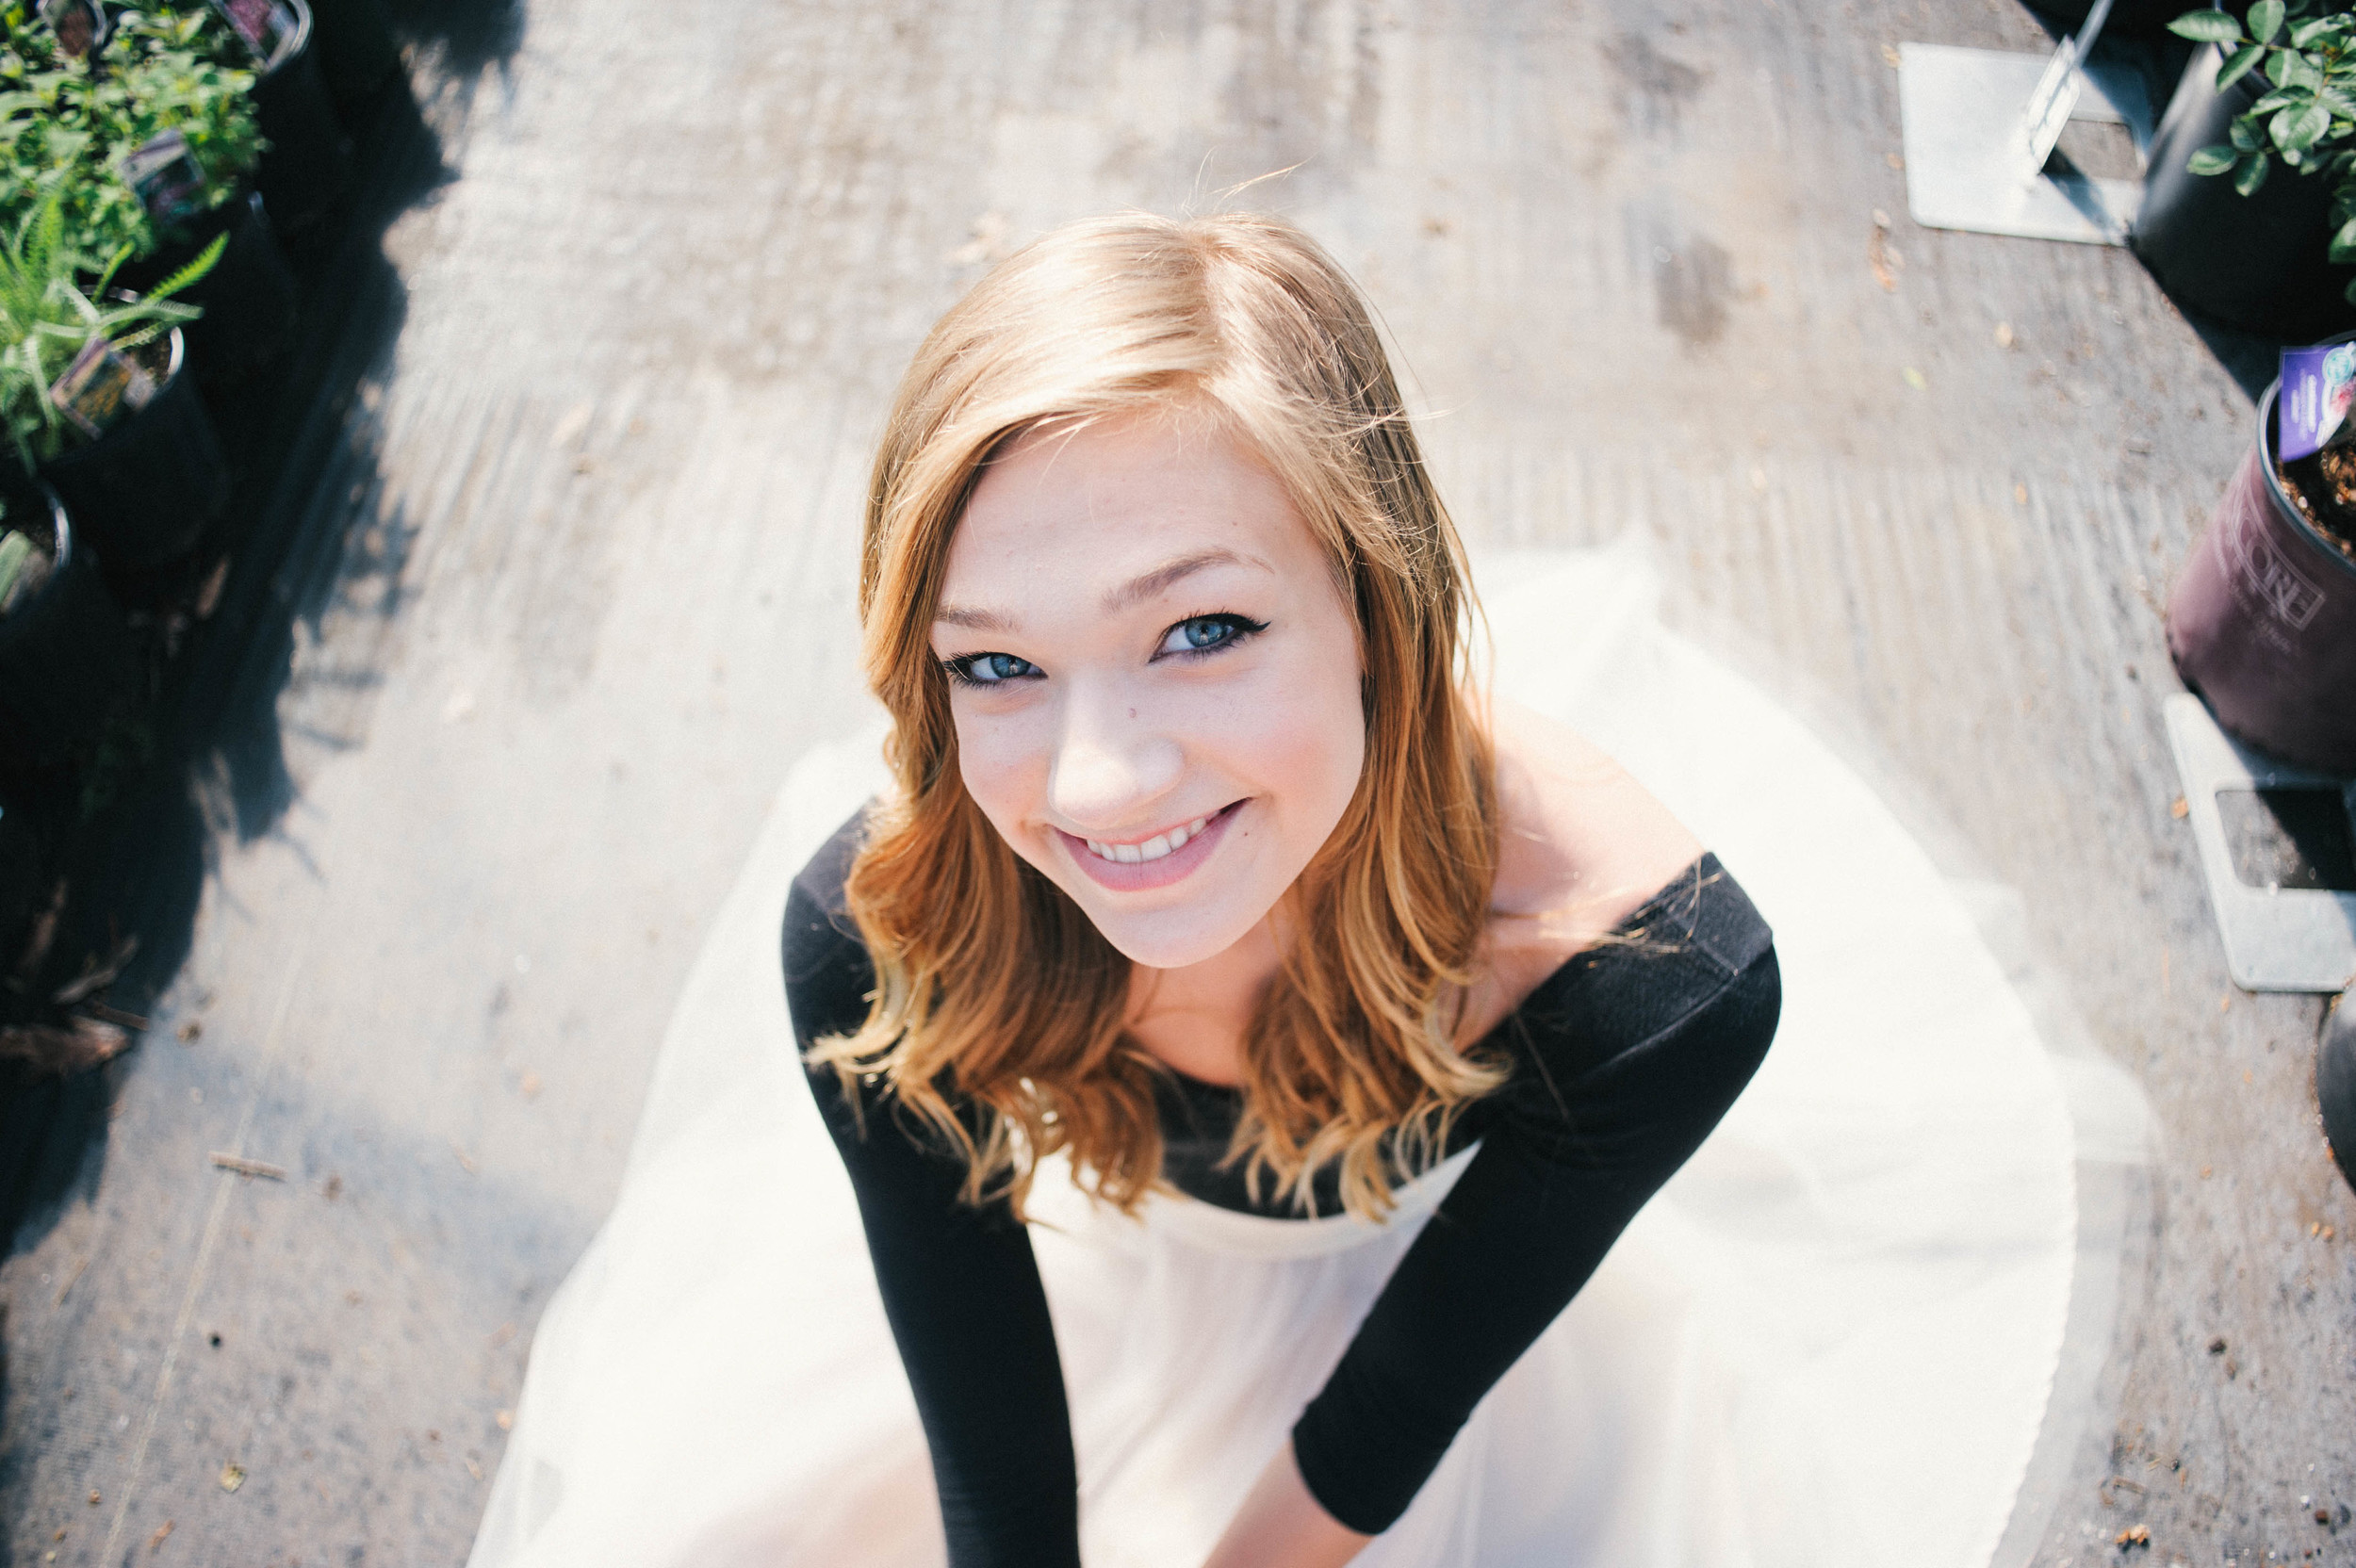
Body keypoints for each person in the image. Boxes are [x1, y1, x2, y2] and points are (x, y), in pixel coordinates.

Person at [467, 212, 2080, 1568]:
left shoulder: (1652, 984)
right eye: (1000, 662)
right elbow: (1002, 1479)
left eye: (1202, 629)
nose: (1097, 783)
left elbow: (1389, 1419)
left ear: (1377, 608)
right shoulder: (878, 938)